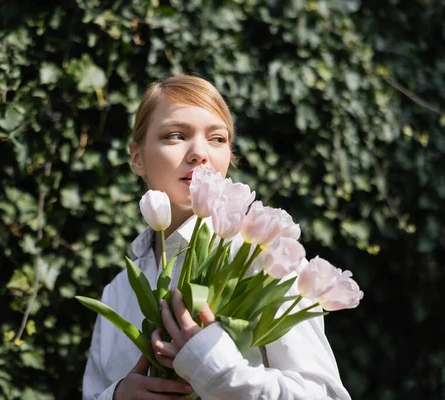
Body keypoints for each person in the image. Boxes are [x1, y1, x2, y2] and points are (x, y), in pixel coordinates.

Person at [82, 75, 351, 400]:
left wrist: (217, 369)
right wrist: (115, 396)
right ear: (137, 157)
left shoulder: (269, 261)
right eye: (175, 135)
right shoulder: (118, 290)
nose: (199, 153)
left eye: (217, 138)